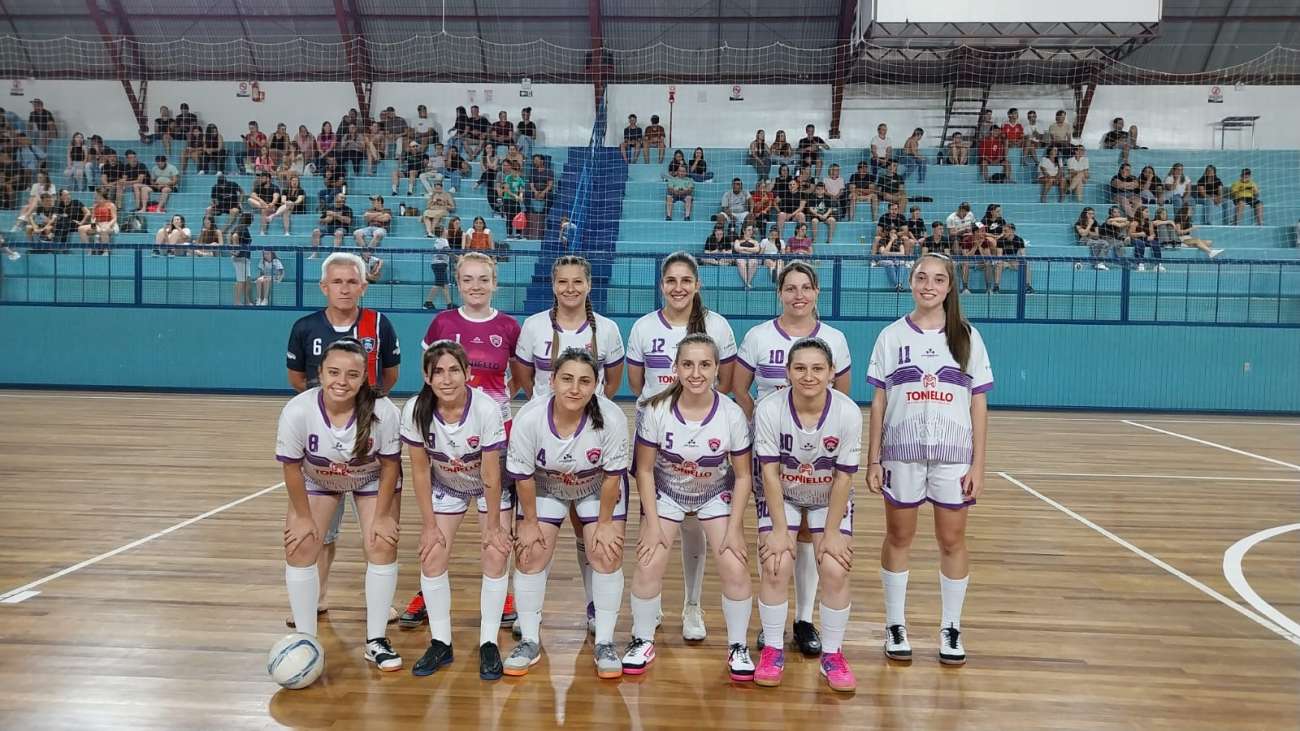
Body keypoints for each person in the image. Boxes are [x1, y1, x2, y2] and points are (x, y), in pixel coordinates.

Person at [866, 252, 993, 669]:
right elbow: (879, 401)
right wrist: (873, 459)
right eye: (922, 277)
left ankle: (951, 627)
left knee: (952, 540)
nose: (929, 285)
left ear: (949, 287)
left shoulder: (967, 337)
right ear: (910, 282)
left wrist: (978, 464)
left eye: (938, 279)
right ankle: (895, 624)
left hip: (953, 457)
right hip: (901, 453)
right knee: (898, 537)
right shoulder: (891, 336)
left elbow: (978, 403)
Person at [732, 262, 852, 659]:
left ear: (816, 292)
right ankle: (772, 626)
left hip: (817, 457)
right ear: (779, 293)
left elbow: (842, 397)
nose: (798, 295)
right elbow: (739, 388)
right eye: (790, 288)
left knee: (807, 536)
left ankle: (803, 619)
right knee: (776, 537)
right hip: (772, 452)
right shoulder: (758, 336)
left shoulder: (834, 339)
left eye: (805, 288)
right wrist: (761, 419)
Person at [622, 333, 756, 680]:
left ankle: (737, 646)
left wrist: (735, 529)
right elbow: (645, 470)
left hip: (714, 492)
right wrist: (652, 525)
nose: (696, 373)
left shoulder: (731, 414)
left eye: (705, 365)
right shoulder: (655, 409)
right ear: (676, 368)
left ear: (717, 369)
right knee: (648, 561)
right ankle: (642, 639)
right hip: (668, 490)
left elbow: (744, 476)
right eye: (688, 364)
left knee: (735, 565)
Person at [402, 252, 523, 629]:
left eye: (483, 279)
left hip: (494, 437)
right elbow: (430, 373)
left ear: (494, 283)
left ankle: (504, 594)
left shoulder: (508, 326)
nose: (476, 286)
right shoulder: (442, 322)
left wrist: (494, 406)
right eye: (468, 279)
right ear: (457, 283)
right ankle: (427, 591)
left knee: (497, 532)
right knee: (436, 537)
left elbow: (519, 378)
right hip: (449, 437)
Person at [285, 253, 402, 629]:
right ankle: (316, 597)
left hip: (367, 442)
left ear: (363, 286)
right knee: (318, 533)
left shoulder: (378, 324)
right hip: (323, 448)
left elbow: (390, 375)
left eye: (352, 282)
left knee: (378, 534)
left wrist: (362, 411)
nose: (345, 288)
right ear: (324, 286)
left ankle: (380, 606)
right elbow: (296, 378)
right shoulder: (305, 327)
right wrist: (329, 410)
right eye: (337, 282)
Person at [276, 338, 404, 674]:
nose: (341, 381)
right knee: (301, 544)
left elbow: (390, 466)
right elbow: (291, 467)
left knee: (381, 542)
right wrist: (303, 517)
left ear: (364, 378)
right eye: (333, 372)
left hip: (370, 477)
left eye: (352, 374)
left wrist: (382, 517)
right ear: (320, 373)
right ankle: (306, 640)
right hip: (318, 478)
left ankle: (376, 640)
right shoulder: (298, 411)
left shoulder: (384, 411)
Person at [503, 348, 631, 679]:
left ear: (596, 385)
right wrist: (529, 523)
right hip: (545, 483)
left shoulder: (612, 418)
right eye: (567, 379)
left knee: (605, 550)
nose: (575, 388)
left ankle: (604, 642)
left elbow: (613, 477)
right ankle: (529, 640)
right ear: (552, 381)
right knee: (530, 552)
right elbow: (524, 477)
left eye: (585, 381)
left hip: (595, 484)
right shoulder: (530, 418)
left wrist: (605, 523)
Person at [398, 341, 514, 680]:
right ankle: (441, 642)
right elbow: (420, 471)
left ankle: (488, 642)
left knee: (495, 553)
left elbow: (491, 473)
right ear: (426, 376)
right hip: (447, 483)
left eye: (454, 370)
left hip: (488, 484)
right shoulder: (415, 410)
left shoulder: (486, 409)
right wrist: (428, 525)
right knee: (432, 554)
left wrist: (494, 525)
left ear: (468, 373)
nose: (446, 379)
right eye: (438, 372)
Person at [751, 337, 861, 691]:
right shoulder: (769, 409)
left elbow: (844, 477)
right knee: (776, 562)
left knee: (834, 567)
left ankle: (833, 655)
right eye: (800, 368)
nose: (808, 376)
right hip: (783, 493)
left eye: (817, 369)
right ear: (787, 372)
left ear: (831, 372)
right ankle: (772, 649)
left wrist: (832, 533)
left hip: (827, 496)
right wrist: (779, 529)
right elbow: (769, 474)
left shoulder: (847, 412)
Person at [515, 255, 625, 401]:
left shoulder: (608, 329)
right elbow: (526, 380)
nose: (570, 289)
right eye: (562, 282)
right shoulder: (532, 325)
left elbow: (612, 384)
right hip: (543, 414)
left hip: (591, 414)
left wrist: (589, 407)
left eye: (578, 282)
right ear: (553, 285)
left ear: (589, 285)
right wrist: (544, 406)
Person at [993, 222, 1033, 293]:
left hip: (1014, 261)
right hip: (1004, 261)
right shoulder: (1000, 240)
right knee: (998, 264)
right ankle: (996, 286)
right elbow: (999, 256)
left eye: (1005, 231)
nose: (1003, 233)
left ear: (1012, 231)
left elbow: (1023, 255)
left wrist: (1017, 261)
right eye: (1003, 231)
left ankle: (1028, 286)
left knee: (1026, 265)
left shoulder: (1019, 240)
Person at [78, 187, 117, 255]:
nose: (94, 196)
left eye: (96, 194)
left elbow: (114, 218)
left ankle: (105, 251)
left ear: (100, 195)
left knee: (103, 230)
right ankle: (89, 250)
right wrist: (93, 226)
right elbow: (93, 219)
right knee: (81, 229)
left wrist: (108, 225)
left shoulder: (111, 205)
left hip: (110, 225)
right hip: (98, 225)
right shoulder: (95, 206)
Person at [732, 222, 762, 290]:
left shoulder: (755, 241)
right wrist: (750, 250)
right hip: (741, 258)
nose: (751, 232)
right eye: (749, 230)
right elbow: (737, 248)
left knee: (754, 262)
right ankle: (747, 283)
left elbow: (757, 249)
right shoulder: (738, 240)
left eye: (751, 230)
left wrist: (743, 249)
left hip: (752, 258)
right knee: (740, 262)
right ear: (743, 231)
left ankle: (747, 283)